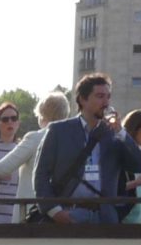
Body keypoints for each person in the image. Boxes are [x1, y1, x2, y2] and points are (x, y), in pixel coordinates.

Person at [0, 90, 68, 221]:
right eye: (5, 119)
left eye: (14, 119)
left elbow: (3, 167)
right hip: (62, 212)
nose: (10, 122)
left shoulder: (33, 139)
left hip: (31, 214)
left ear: (42, 115)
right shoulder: (73, 140)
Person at [34, 75, 122, 223]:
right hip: (68, 214)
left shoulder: (113, 133)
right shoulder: (59, 130)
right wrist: (55, 212)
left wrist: (121, 132)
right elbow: (41, 175)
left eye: (108, 97)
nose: (106, 102)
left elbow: (138, 164)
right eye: (100, 96)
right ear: (82, 99)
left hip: (103, 217)